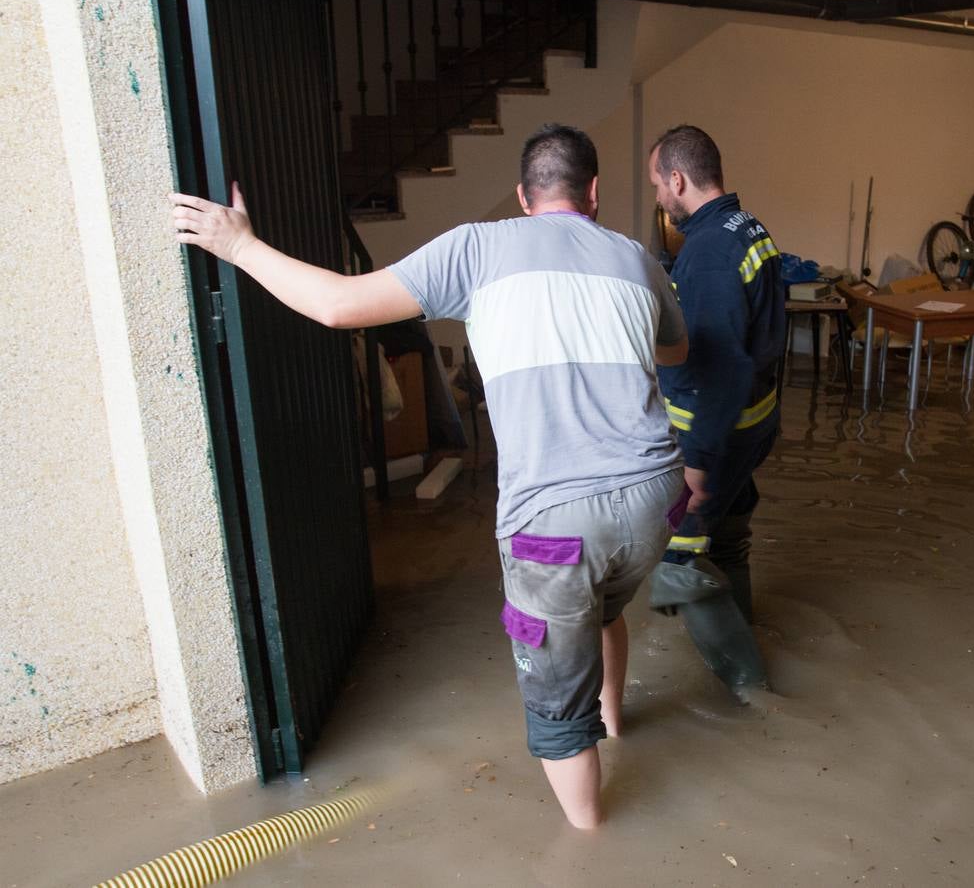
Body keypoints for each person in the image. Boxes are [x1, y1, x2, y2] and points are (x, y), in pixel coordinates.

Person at [171, 124, 688, 830]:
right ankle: (621, 728)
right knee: (602, 608)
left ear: (521, 196)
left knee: (555, 697)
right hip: (658, 499)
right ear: (594, 194)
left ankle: (592, 837)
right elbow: (678, 345)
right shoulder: (633, 257)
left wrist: (238, 245)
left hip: (555, 526)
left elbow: (338, 305)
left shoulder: (477, 247)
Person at [645, 125, 785, 693]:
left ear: (678, 180)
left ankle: (752, 694)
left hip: (716, 439)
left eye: (658, 184)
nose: (658, 197)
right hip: (754, 424)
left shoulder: (706, 253)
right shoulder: (748, 228)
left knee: (678, 562)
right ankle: (746, 630)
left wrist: (697, 465)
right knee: (728, 539)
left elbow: (720, 366)